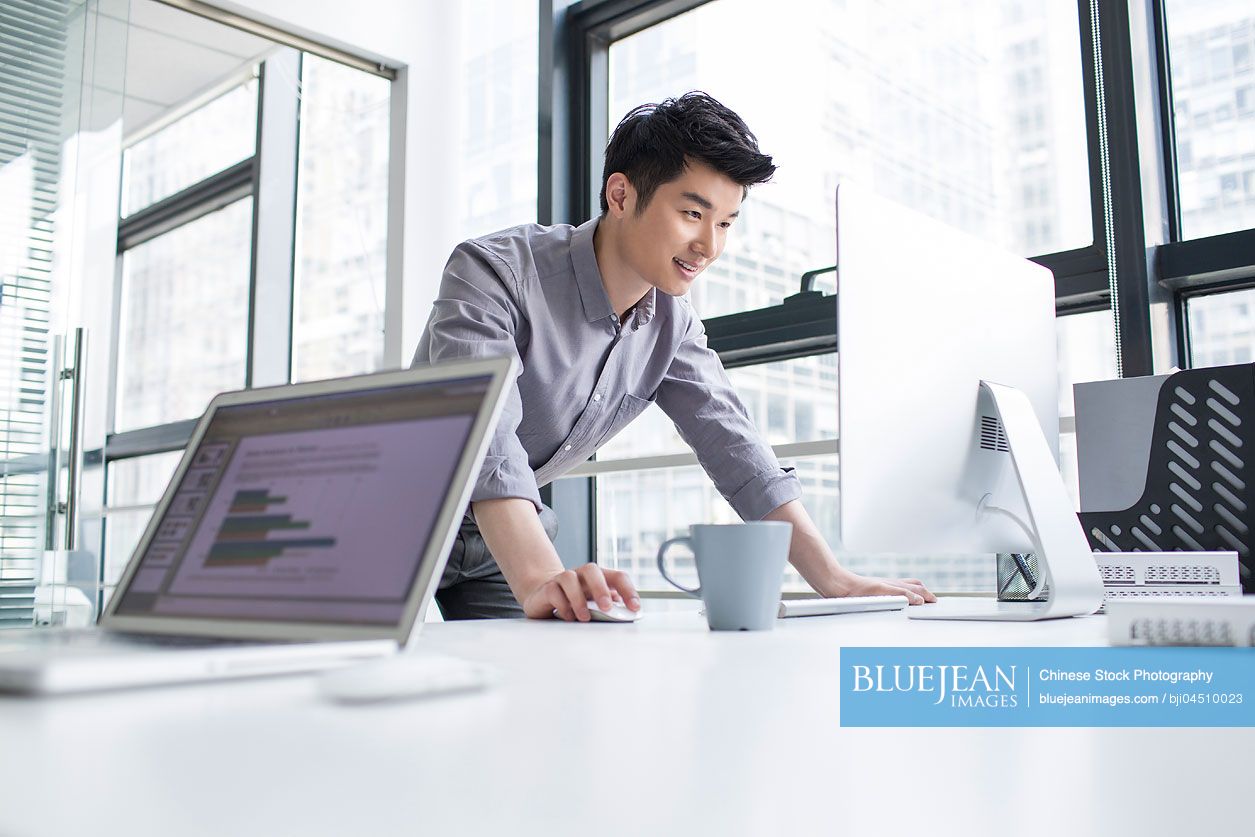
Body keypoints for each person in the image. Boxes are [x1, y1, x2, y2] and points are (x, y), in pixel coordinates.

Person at [415, 91, 937, 621]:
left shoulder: (673, 324)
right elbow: (488, 440)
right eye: (693, 213)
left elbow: (739, 450)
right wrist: (541, 577)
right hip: (401, 520)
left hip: (498, 546)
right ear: (620, 194)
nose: (709, 245)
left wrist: (837, 581)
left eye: (727, 223)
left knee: (523, 685)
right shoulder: (493, 271)